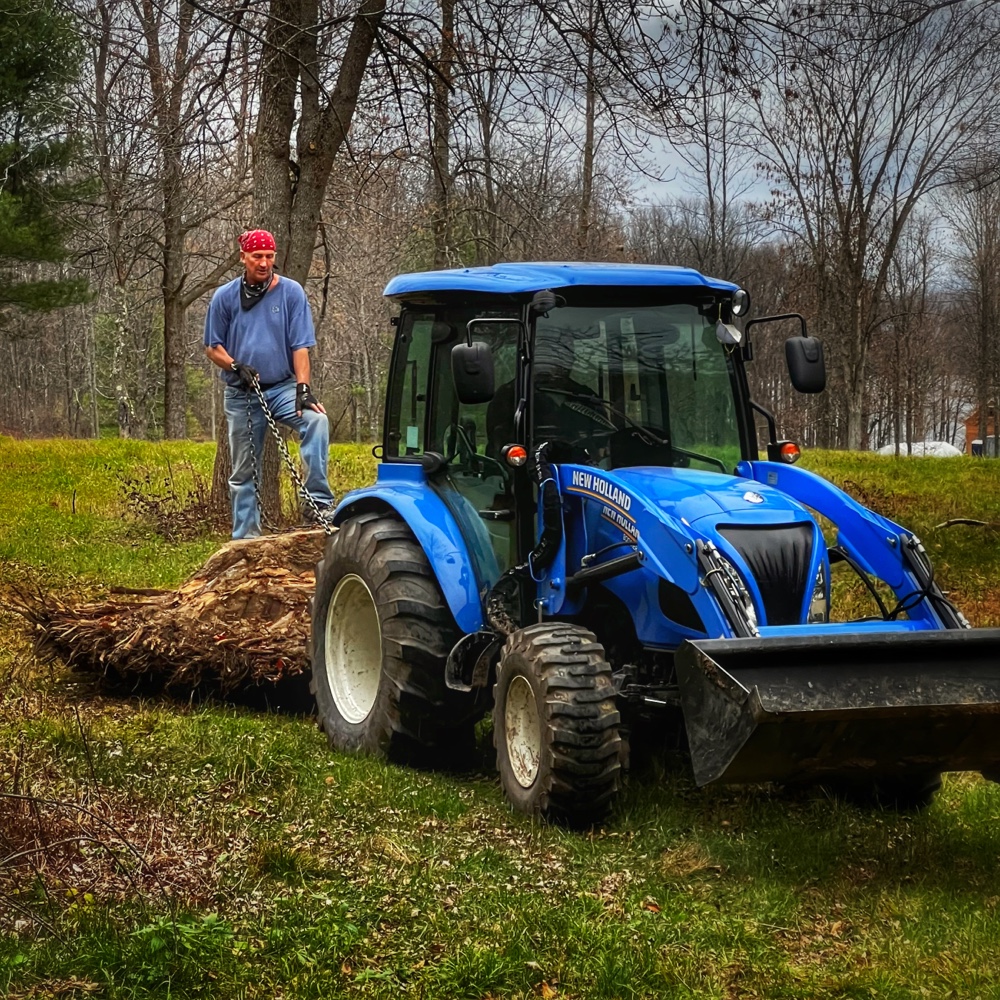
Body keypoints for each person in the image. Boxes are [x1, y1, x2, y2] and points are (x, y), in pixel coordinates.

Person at [204, 228, 336, 539]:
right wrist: (236, 366)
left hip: (282, 387)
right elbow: (212, 347)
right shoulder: (224, 297)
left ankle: (316, 504)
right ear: (243, 258)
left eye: (269, 256)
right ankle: (246, 539)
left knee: (317, 421)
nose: (264, 263)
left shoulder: (291, 293)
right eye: (257, 256)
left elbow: (301, 347)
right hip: (242, 394)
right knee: (244, 470)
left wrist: (303, 389)